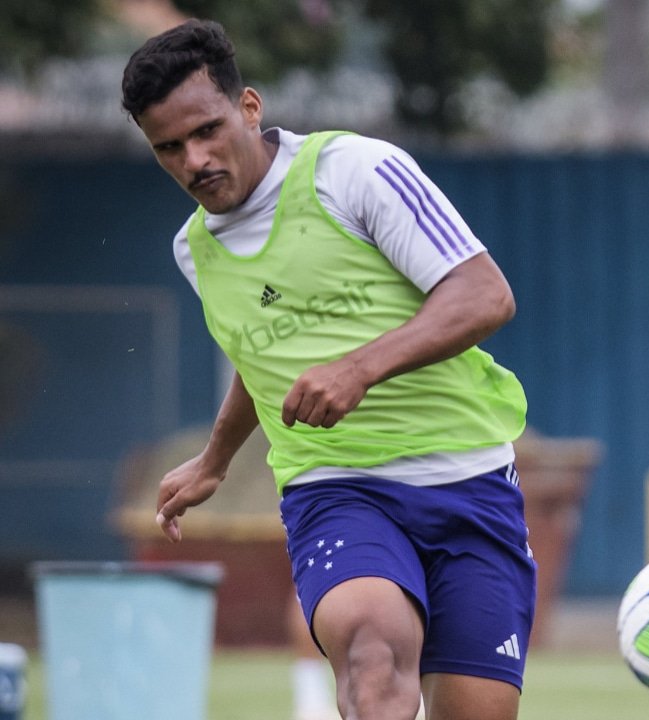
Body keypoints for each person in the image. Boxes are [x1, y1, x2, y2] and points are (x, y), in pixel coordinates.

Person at [121, 19, 534, 720]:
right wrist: (214, 460)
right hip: (336, 487)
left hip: (467, 479)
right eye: (169, 148)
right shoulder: (195, 251)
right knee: (373, 655)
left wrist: (359, 368)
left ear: (249, 107)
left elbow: (484, 295)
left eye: (208, 131)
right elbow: (262, 358)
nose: (195, 160)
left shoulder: (354, 171)